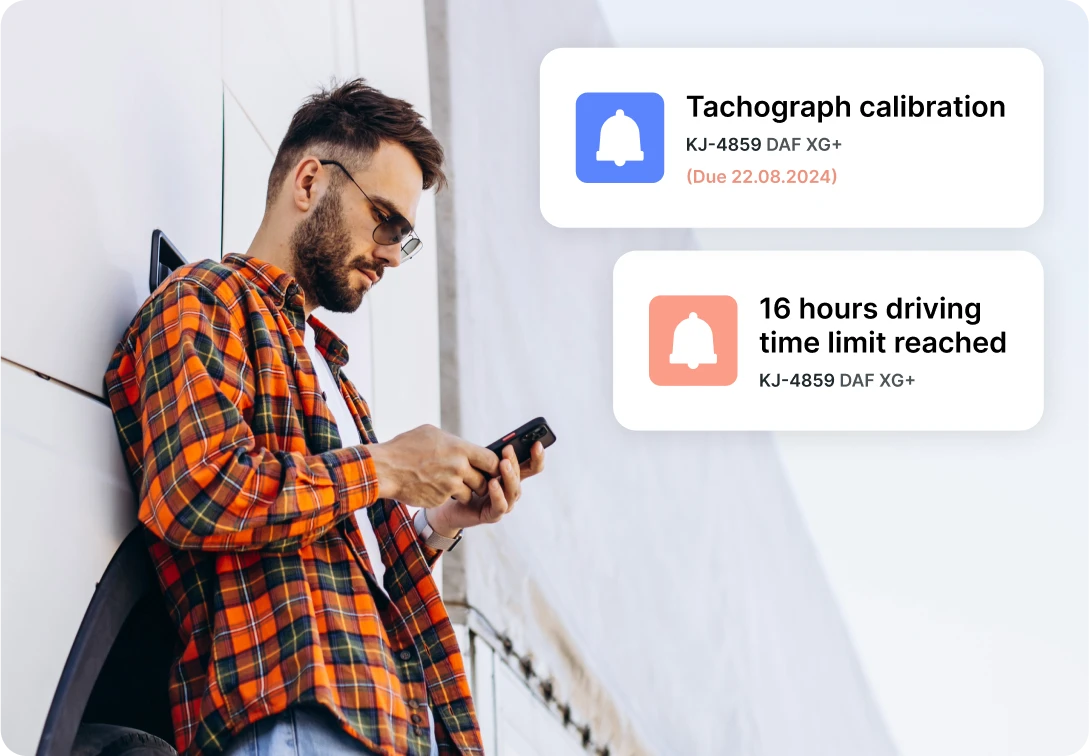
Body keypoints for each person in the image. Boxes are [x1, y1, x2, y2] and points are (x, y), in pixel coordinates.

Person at [104, 78, 545, 756]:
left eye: (406, 238)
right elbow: (195, 491)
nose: (394, 255)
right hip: (298, 719)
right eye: (385, 221)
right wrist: (390, 467)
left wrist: (435, 523)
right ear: (309, 182)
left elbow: (341, 569)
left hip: (390, 725)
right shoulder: (202, 304)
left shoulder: (328, 371)